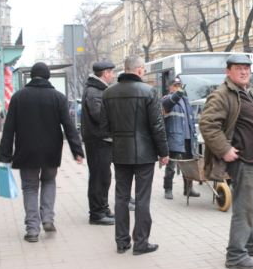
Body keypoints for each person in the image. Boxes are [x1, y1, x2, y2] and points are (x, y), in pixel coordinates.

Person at [199, 54, 253, 269]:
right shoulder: (222, 94)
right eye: (238, 68)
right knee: (245, 208)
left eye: (246, 68)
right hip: (243, 161)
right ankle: (235, 255)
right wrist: (224, 149)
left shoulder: (251, 92)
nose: (243, 72)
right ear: (228, 72)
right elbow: (208, 124)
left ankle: (249, 242)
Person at [0, 62, 84, 243]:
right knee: (49, 181)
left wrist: (4, 156)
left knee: (29, 188)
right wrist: (77, 150)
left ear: (31, 77)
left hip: (26, 151)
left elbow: (8, 129)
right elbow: (69, 126)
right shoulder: (58, 98)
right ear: (48, 77)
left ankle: (32, 229)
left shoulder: (18, 97)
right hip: (51, 152)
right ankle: (47, 219)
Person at [101, 54, 169, 255]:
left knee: (121, 197)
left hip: (120, 152)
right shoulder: (148, 91)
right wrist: (163, 152)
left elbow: (104, 127)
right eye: (144, 70)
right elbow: (157, 126)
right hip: (145, 153)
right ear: (139, 70)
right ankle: (141, 243)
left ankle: (122, 242)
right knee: (142, 199)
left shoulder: (108, 93)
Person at [81, 60, 116, 225]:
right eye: (111, 73)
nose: (113, 76)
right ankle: (96, 213)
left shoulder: (98, 89)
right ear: (105, 73)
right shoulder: (95, 91)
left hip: (101, 139)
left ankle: (103, 208)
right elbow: (98, 114)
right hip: (97, 139)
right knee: (98, 176)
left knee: (104, 175)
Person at [161, 77, 200, 200]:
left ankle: (188, 189)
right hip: (175, 138)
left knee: (188, 166)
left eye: (180, 84)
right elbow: (169, 103)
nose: (178, 86)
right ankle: (168, 189)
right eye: (176, 84)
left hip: (188, 139)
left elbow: (190, 119)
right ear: (170, 87)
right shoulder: (167, 99)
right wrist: (178, 94)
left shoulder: (186, 100)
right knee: (171, 165)